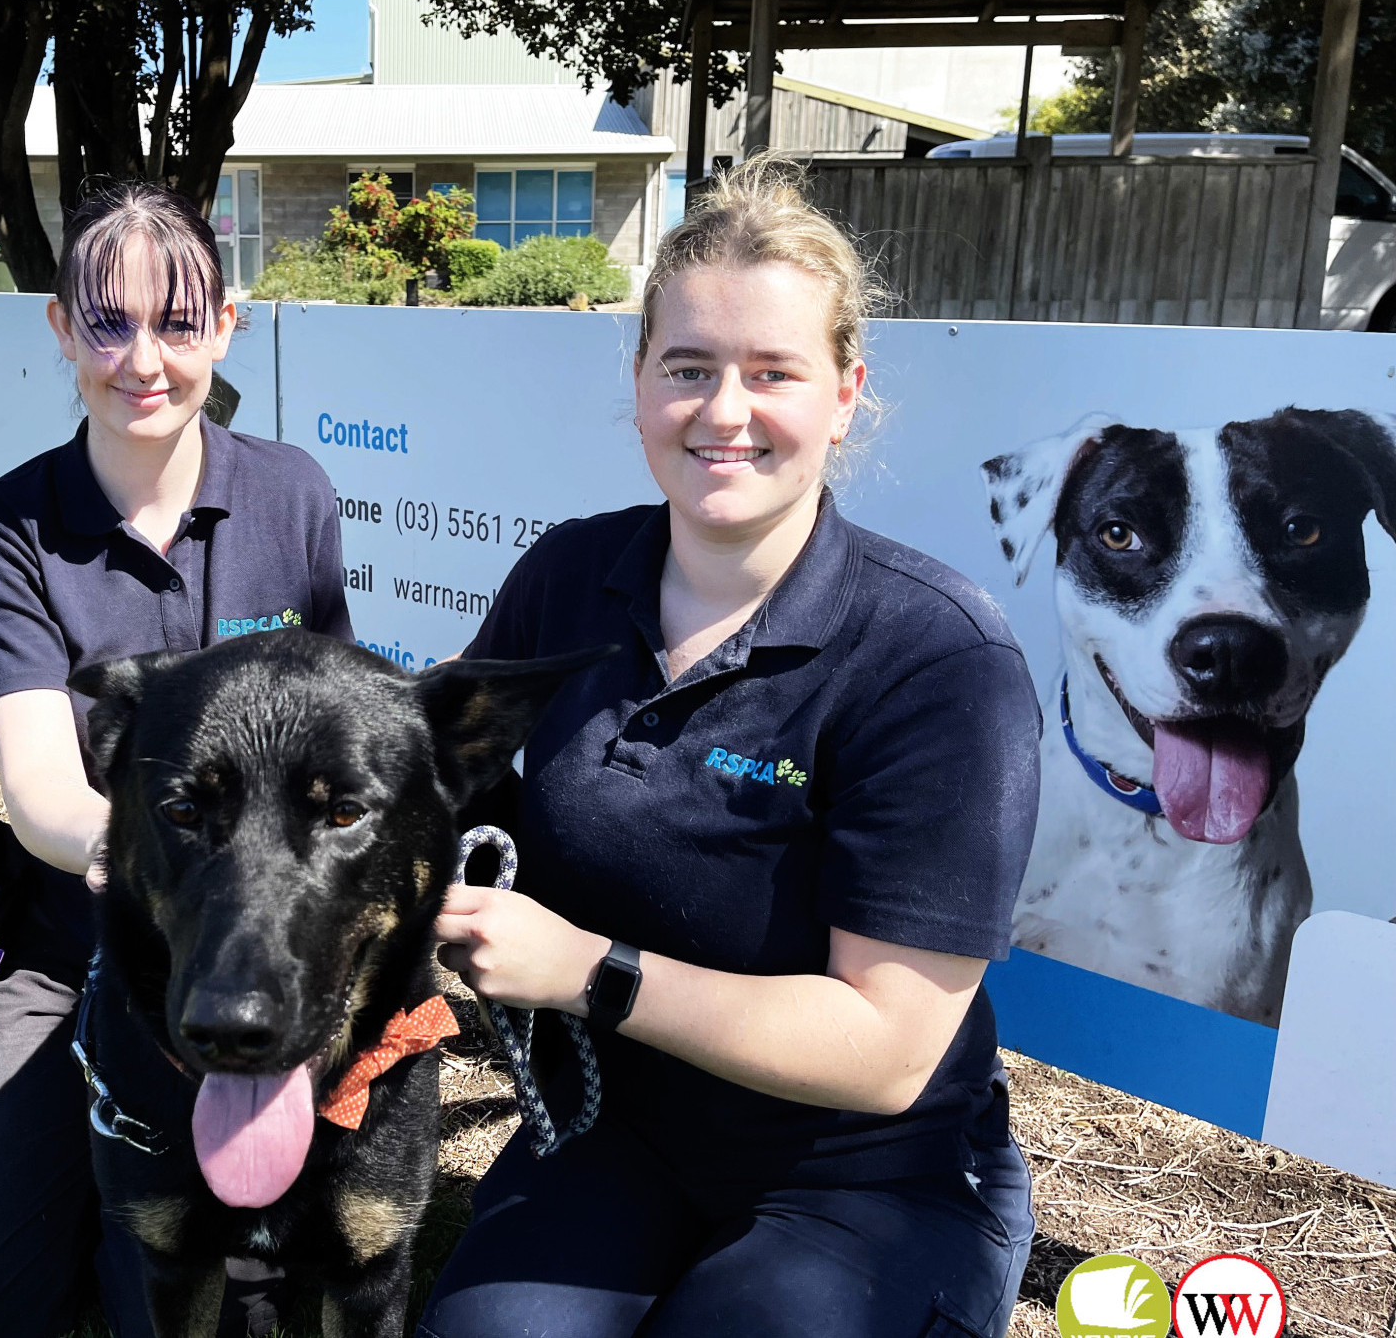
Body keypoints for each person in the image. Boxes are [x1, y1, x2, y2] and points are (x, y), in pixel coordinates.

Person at [420, 156, 1041, 1338]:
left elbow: (883, 1052)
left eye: (773, 373)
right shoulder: (564, 576)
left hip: (866, 1173)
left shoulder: (936, 656)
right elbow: (427, 792)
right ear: (641, 378)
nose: (723, 411)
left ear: (845, 392)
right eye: (688, 368)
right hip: (618, 1132)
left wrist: (586, 969)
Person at [0, 181, 354, 1338]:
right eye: (108, 323)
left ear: (225, 325)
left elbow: (331, 739)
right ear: (60, 328)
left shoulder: (292, 494)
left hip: (255, 949)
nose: (143, 359)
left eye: (178, 322)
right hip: (74, 950)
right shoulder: (6, 528)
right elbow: (46, 798)